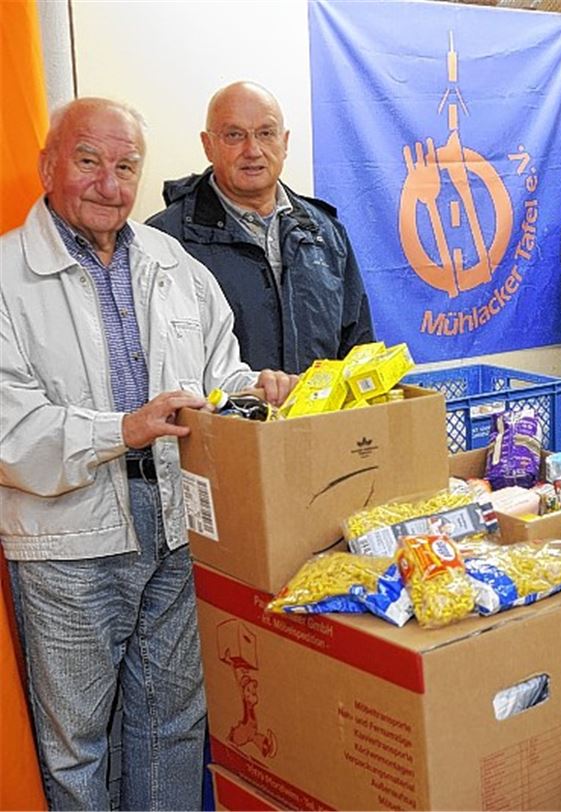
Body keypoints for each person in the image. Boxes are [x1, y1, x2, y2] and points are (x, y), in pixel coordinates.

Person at [0, 97, 296, 810]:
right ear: (48, 166)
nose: (109, 183)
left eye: (125, 165)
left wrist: (254, 387)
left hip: (175, 522)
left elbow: (215, 374)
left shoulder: (174, 262)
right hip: (66, 541)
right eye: (88, 161)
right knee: (78, 745)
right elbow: (11, 430)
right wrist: (121, 430)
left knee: (171, 724)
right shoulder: (6, 276)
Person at [147, 81, 374, 373]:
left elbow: (358, 351)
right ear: (208, 145)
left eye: (266, 134)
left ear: (285, 142)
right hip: (221, 418)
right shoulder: (165, 241)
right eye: (234, 135)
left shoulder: (325, 233)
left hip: (318, 418)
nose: (252, 150)